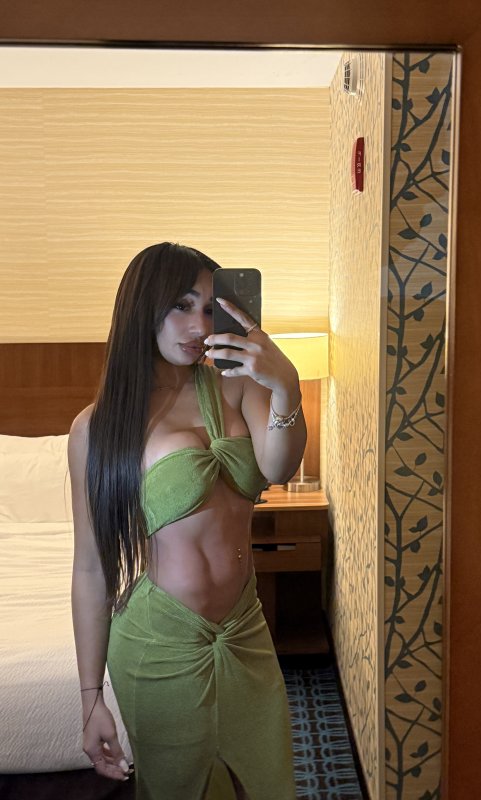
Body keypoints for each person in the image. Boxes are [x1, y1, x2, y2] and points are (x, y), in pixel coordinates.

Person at [69, 242, 306, 800]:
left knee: (268, 783)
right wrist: (90, 697)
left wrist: (286, 385)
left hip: (244, 629)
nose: (199, 326)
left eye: (208, 307)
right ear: (143, 308)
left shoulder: (238, 385)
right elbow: (92, 569)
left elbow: (279, 466)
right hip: (161, 643)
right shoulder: (100, 427)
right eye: (180, 305)